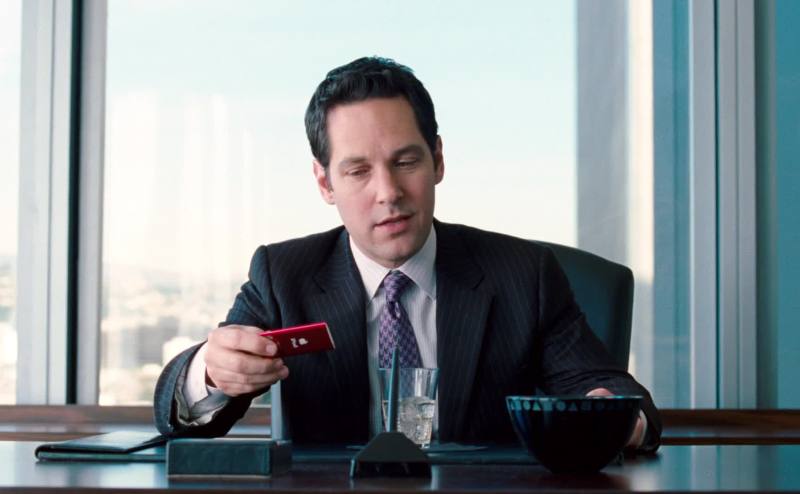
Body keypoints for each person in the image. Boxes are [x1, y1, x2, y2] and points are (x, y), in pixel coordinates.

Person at [154, 56, 661, 450]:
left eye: (406, 162)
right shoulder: (283, 275)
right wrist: (212, 372)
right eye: (358, 171)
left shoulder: (525, 275)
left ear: (437, 159)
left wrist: (615, 417)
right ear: (325, 182)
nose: (388, 192)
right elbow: (180, 415)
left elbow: (617, 394)